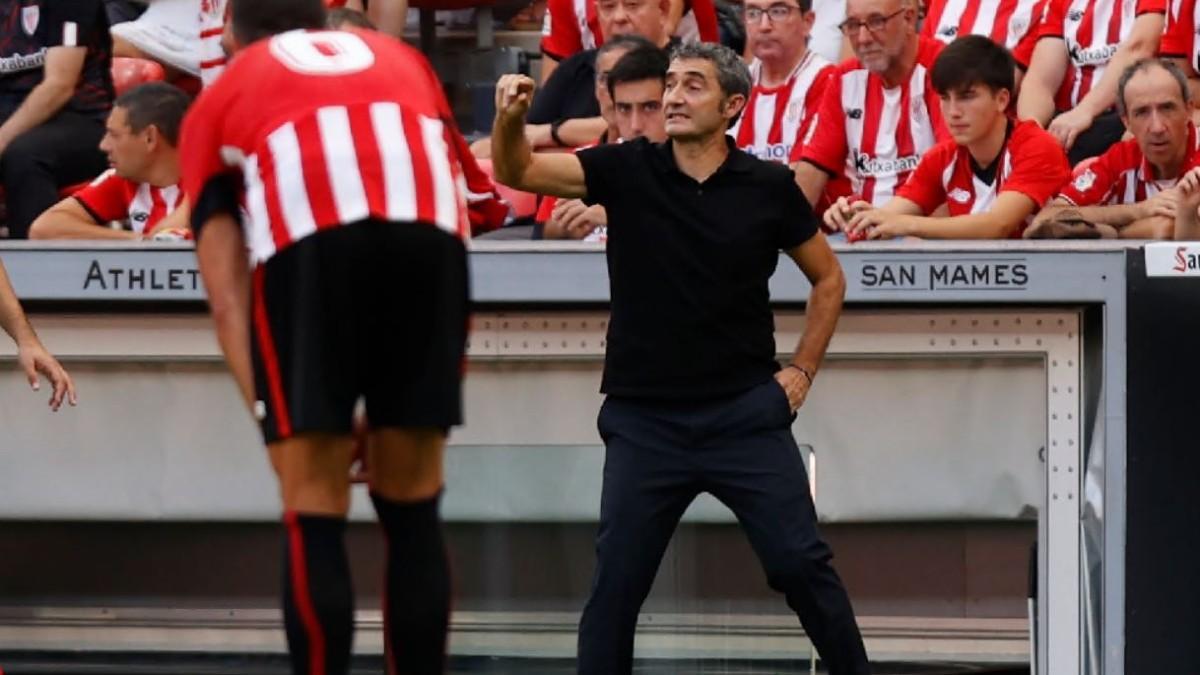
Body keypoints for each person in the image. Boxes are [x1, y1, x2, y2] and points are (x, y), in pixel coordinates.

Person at [490, 42, 870, 675]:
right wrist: (507, 118)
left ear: (733, 106)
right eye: (670, 84)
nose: (672, 96)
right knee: (616, 587)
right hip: (645, 421)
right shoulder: (625, 168)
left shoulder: (769, 186)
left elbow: (828, 280)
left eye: (693, 85)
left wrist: (801, 371)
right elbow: (517, 170)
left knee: (800, 565)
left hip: (746, 416)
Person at [180, 1, 476, 672]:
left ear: (230, 34)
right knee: (413, 503)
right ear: (324, 17)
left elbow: (228, 295)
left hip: (312, 246)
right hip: (429, 242)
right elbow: (462, 199)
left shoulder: (224, 90)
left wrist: (275, 420)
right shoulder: (405, 60)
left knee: (312, 502)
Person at [828, 35, 1070, 240]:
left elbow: (998, 225)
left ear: (1002, 99)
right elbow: (890, 215)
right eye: (945, 98)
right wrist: (857, 216)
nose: (953, 112)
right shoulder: (942, 158)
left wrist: (906, 224)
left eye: (966, 96)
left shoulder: (1037, 146)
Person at [793, 0, 949, 213]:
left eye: (877, 22)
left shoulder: (943, 69)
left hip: (926, 233)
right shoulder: (845, 78)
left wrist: (897, 226)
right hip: (862, 233)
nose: (863, 39)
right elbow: (812, 169)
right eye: (853, 25)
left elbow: (953, 180)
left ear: (909, 18)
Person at [1029, 59, 1199, 239]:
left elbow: (1168, 230)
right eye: (1142, 112)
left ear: (1188, 111)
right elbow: (1046, 218)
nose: (1157, 127)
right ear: (1126, 122)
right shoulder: (1121, 158)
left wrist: (1111, 233)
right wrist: (1137, 211)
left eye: (1167, 108)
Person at [0, 0, 114, 239]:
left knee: (24, 155)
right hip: (12, 113)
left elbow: (59, 86)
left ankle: (34, 266)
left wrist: (1, 140)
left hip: (82, 118)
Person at [541, 38, 666, 240]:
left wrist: (619, 215)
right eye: (624, 108)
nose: (635, 125)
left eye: (650, 107)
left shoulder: (697, 166)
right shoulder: (581, 163)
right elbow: (544, 239)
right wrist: (566, 227)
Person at [31, 82, 190, 240]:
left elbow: (166, 242)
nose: (103, 145)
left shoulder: (209, 181)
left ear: (150, 138)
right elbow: (43, 229)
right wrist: (136, 241)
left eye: (114, 135)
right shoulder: (123, 179)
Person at [1016, 0, 1165, 164]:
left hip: (1125, 120)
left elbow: (1140, 48)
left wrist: (1084, 111)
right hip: (1070, 123)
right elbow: (1040, 80)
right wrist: (1031, 131)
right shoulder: (1062, 3)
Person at [730, 0, 835, 164]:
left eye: (778, 11)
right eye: (753, 13)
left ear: (807, 22)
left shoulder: (828, 82)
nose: (764, 26)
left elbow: (805, 180)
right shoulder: (733, 85)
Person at [539, 0, 718, 83]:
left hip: (673, 79)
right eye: (608, 6)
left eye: (632, 4)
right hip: (597, 90)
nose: (618, 17)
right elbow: (551, 84)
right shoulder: (563, 3)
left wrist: (555, 132)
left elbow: (658, 37)